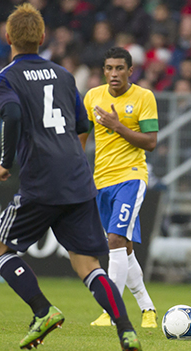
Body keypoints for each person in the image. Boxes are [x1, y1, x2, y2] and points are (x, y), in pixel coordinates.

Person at [0, 4, 141, 351]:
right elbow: (83, 125)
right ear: (42, 38)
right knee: (88, 265)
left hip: (41, 181)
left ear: (8, 37)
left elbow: (10, 112)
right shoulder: (63, 75)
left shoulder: (4, 77)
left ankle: (43, 311)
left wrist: (5, 162)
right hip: (76, 177)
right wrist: (69, 158)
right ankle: (126, 330)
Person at [79, 47, 159, 329]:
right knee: (123, 247)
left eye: (120, 69)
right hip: (101, 181)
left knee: (114, 239)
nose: (114, 74)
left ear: (130, 70)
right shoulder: (92, 97)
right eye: (109, 68)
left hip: (132, 177)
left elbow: (150, 141)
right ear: (104, 70)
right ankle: (147, 309)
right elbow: (82, 135)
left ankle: (111, 310)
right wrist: (78, 171)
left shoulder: (143, 97)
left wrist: (118, 126)